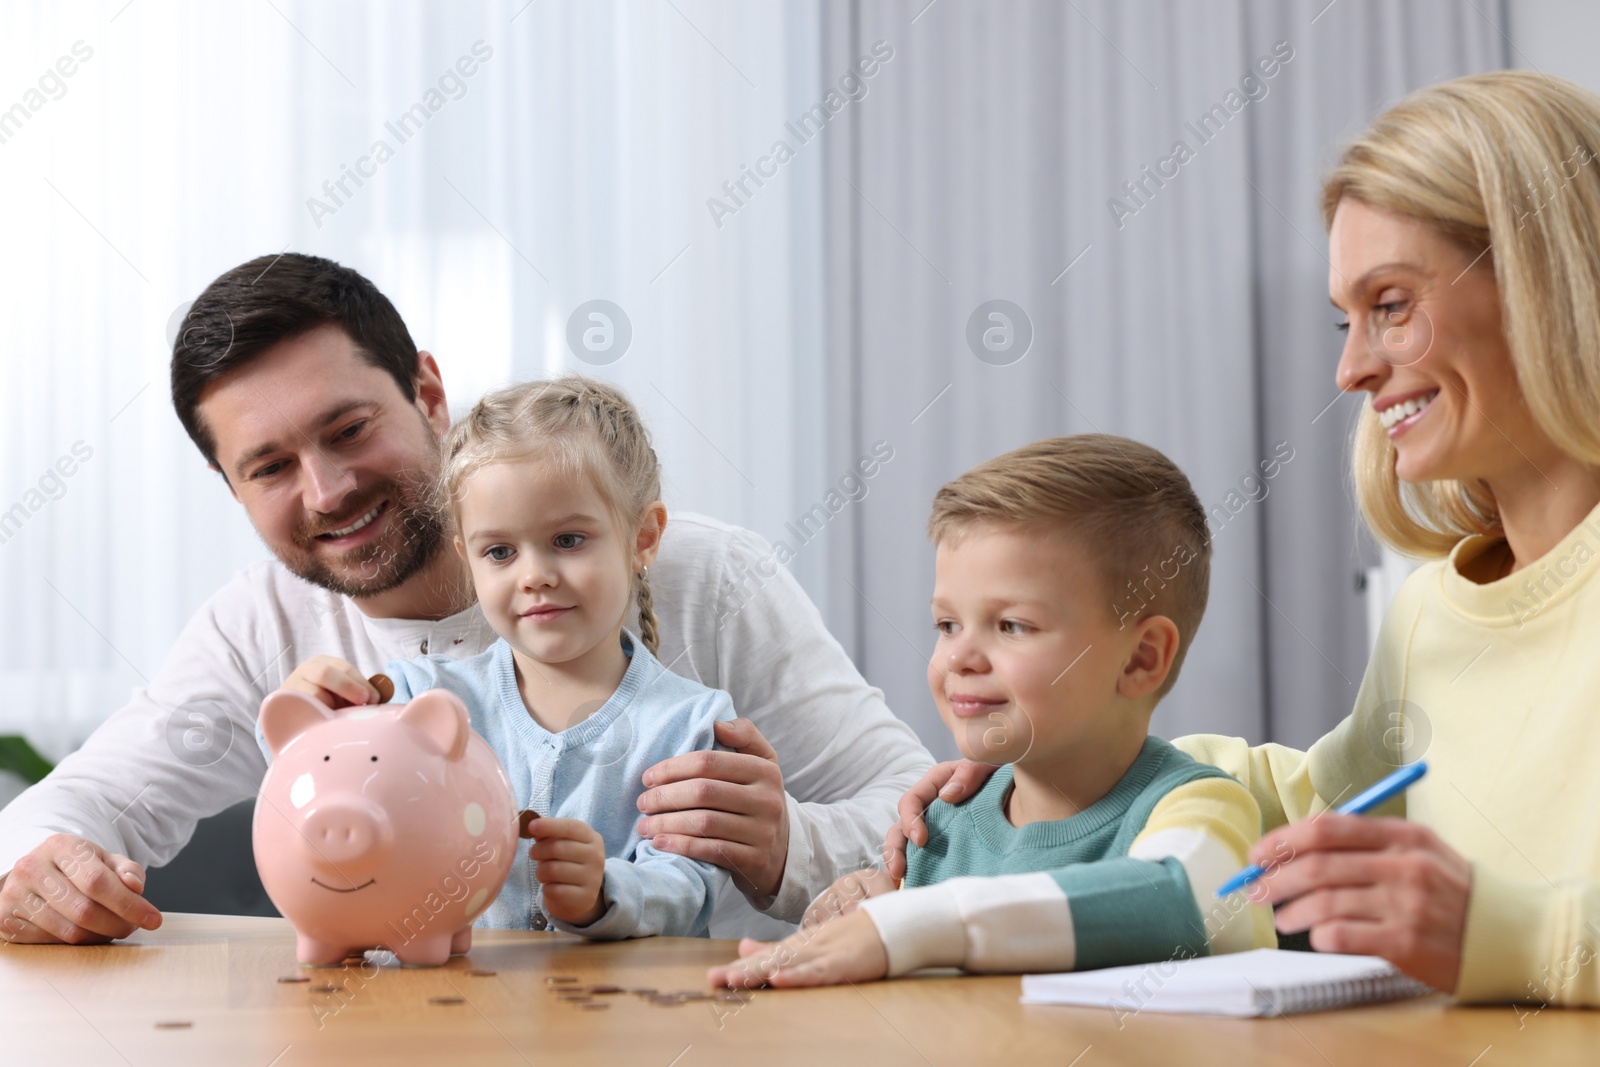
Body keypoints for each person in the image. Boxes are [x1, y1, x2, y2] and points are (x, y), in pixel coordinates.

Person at [882, 71, 1600, 1004]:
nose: (1349, 368)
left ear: (1545, 282)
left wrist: (1517, 934)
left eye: (1391, 304)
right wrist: (1067, 745)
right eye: (1346, 320)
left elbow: (1494, 925)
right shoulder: (1431, 613)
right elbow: (1313, 796)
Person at [0, 254, 933, 945]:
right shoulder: (262, 627)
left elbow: (919, 815)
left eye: (348, 428)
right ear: (233, 490)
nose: (326, 490)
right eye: (270, 466)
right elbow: (74, 807)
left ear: (428, 392)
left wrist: (783, 847)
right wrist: (42, 870)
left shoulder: (702, 575)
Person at [710, 436, 1276, 987]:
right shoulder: (940, 828)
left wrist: (913, 927)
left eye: (1012, 626)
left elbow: (1192, 897)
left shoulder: (1198, 804)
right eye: (947, 624)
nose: (958, 656)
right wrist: (870, 907)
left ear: (1140, 660)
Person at [279, 377, 732, 938]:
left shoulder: (691, 724)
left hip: (629, 1016)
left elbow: (688, 882)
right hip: (450, 1011)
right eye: (499, 552)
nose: (534, 576)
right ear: (468, 561)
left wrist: (606, 893)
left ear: (642, 538)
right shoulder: (424, 700)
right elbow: (326, 781)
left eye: (568, 540)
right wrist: (312, 713)